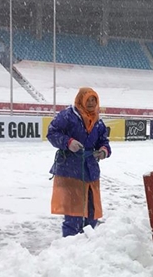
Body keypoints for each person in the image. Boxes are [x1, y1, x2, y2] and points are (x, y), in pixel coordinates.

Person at [47, 87, 111, 237]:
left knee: (92, 215)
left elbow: (104, 142)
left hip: (90, 172)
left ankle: (86, 246)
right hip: (70, 171)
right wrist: (68, 142)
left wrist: (103, 151)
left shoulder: (98, 122)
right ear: (80, 99)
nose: (90, 103)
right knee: (73, 215)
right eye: (87, 99)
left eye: (93, 100)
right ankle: (70, 247)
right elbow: (52, 132)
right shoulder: (67, 116)